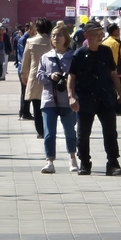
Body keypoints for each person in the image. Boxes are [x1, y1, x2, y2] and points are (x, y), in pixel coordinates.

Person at [68, 21, 121, 176]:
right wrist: (71, 96)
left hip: (106, 97)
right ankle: (85, 162)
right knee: (83, 133)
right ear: (86, 35)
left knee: (111, 132)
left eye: (101, 33)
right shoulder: (79, 54)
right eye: (96, 33)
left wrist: (119, 94)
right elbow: (71, 77)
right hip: (86, 99)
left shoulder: (106, 52)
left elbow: (113, 74)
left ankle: (113, 163)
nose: (100, 37)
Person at [37, 23, 78, 174]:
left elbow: (78, 77)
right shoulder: (46, 57)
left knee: (70, 131)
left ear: (66, 38)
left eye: (59, 35)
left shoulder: (73, 56)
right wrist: (50, 76)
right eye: (53, 35)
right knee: (49, 133)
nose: (55, 38)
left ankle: (72, 158)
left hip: (68, 100)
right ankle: (49, 161)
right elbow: (39, 77)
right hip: (49, 100)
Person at [21, 18, 53, 139]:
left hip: (34, 75)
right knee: (49, 105)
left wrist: (24, 75)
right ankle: (49, 129)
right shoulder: (53, 41)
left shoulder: (30, 41)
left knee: (36, 105)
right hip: (50, 75)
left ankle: (40, 131)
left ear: (37, 29)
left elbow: (26, 61)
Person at [17, 23, 35, 121]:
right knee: (25, 92)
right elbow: (25, 56)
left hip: (23, 68)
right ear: (31, 30)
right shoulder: (26, 40)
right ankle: (24, 112)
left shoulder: (23, 39)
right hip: (25, 69)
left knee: (25, 91)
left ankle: (23, 111)